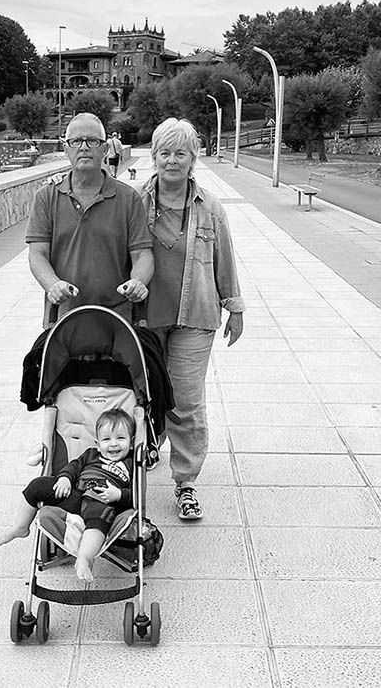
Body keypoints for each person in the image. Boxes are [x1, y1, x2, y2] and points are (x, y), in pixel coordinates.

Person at [138, 117, 245, 520]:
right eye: (164, 153)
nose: (171, 160)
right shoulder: (136, 202)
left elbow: (225, 259)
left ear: (193, 158)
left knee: (185, 400)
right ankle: (152, 443)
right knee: (147, 393)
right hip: (145, 318)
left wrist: (234, 306)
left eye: (180, 153)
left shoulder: (210, 207)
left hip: (195, 315)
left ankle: (186, 482)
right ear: (153, 157)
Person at [26, 113, 153, 325]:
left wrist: (138, 282)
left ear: (105, 149)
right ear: (66, 149)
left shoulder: (128, 198)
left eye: (92, 141)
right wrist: (52, 285)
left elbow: (142, 254)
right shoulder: (46, 197)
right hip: (62, 319)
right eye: (76, 141)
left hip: (117, 319)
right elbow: (37, 254)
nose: (84, 147)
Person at [0, 409, 135, 582]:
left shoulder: (131, 463)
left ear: (131, 443)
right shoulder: (91, 454)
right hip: (75, 494)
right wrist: (65, 478)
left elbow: (135, 495)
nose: (113, 444)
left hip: (102, 501)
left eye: (120, 438)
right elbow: (74, 466)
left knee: (98, 519)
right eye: (106, 439)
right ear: (98, 444)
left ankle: (84, 558)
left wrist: (119, 495)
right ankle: (21, 527)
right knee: (37, 485)